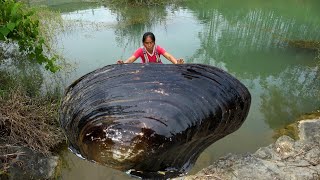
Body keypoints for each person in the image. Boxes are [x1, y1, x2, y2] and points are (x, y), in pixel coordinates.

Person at [117, 32, 184, 64]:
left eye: (151, 42)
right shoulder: (140, 51)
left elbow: (168, 56)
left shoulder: (158, 49)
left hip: (159, 69)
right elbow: (131, 60)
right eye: (146, 43)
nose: (149, 45)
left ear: (154, 42)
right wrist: (123, 64)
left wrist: (176, 63)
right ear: (143, 43)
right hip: (146, 71)